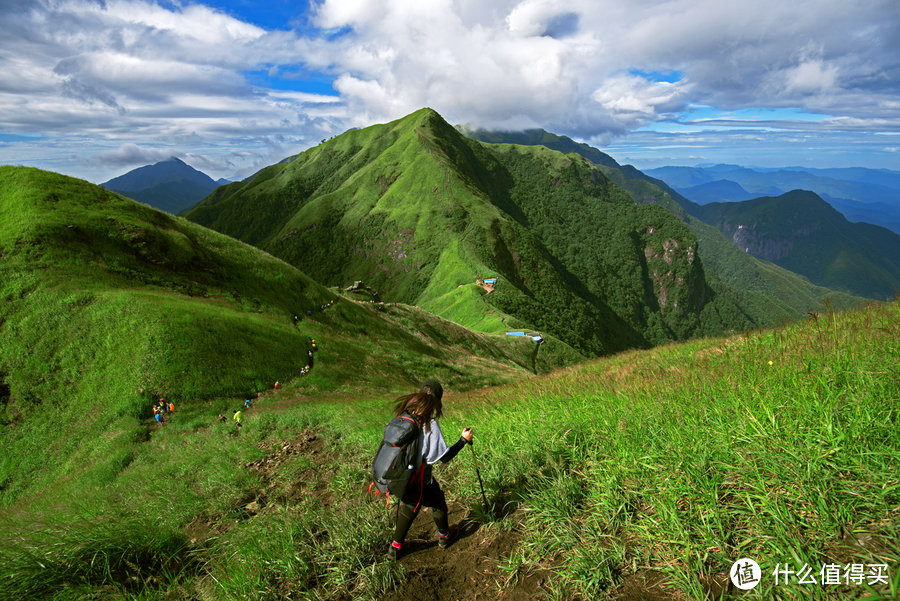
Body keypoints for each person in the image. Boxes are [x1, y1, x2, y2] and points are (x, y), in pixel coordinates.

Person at [386, 380, 473, 560]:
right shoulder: (429, 425)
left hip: (399, 474)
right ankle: (444, 537)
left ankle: (395, 548)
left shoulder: (403, 416)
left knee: (410, 506)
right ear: (437, 401)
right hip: (418, 478)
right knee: (438, 502)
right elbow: (444, 458)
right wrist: (463, 440)